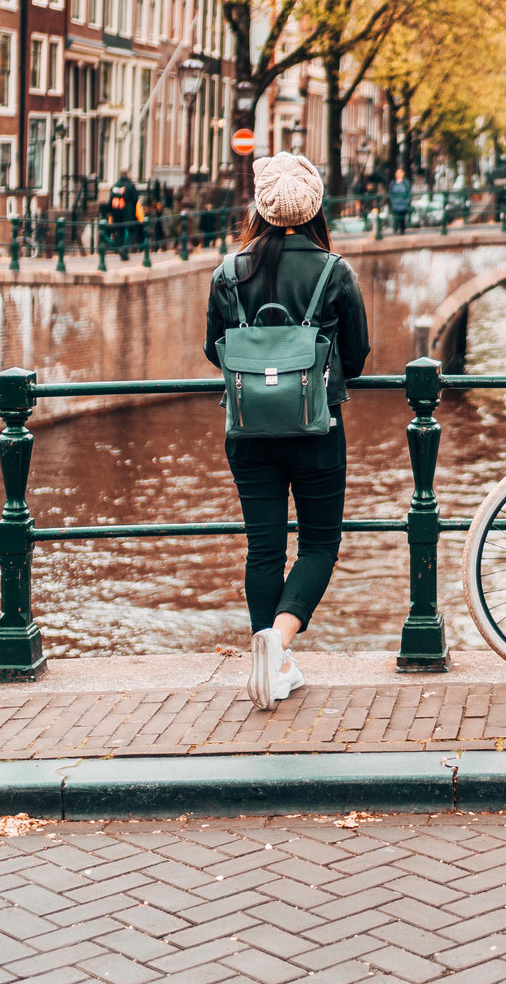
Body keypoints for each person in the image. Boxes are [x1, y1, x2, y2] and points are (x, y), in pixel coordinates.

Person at [204, 152, 370, 709]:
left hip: (248, 431)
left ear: (260, 206)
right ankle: (279, 640)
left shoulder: (228, 272)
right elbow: (358, 355)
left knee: (263, 550)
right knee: (320, 543)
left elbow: (214, 350)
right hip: (317, 429)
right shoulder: (334, 271)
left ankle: (274, 667)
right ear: (316, 207)